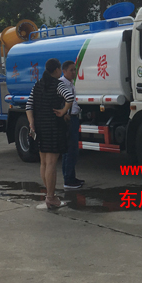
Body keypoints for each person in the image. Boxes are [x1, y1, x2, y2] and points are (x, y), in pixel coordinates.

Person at [26, 58, 74, 210]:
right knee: (52, 163)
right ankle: (51, 198)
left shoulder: (37, 85)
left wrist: (32, 123)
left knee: (44, 163)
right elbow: (70, 97)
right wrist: (63, 111)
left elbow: (29, 105)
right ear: (57, 70)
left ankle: (49, 195)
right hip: (54, 127)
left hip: (40, 127)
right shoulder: (58, 84)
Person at [59, 60, 84, 190]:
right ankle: (68, 180)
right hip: (69, 119)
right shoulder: (61, 84)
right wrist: (63, 114)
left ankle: (71, 177)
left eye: (75, 70)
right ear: (64, 71)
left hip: (74, 117)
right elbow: (56, 102)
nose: (74, 72)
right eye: (71, 70)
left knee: (71, 150)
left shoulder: (71, 83)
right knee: (70, 150)